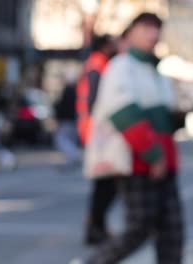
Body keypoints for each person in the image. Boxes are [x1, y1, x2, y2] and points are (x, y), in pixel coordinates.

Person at [86, 13, 184, 264]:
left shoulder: (155, 70)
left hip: (162, 162)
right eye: (146, 28)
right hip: (138, 162)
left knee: (172, 231)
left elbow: (165, 117)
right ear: (129, 33)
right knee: (139, 227)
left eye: (156, 29)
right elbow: (124, 114)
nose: (153, 34)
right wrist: (153, 154)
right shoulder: (122, 66)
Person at [76, 34, 118, 245]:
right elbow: (94, 100)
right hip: (96, 131)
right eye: (112, 44)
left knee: (106, 182)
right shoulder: (98, 65)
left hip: (95, 130)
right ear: (104, 46)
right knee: (106, 181)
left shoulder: (98, 64)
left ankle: (97, 225)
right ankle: (95, 227)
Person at [54, 83, 81, 167]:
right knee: (70, 140)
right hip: (73, 121)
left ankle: (74, 155)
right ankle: (71, 158)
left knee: (61, 140)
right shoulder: (76, 95)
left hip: (66, 121)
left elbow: (61, 108)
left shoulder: (66, 94)